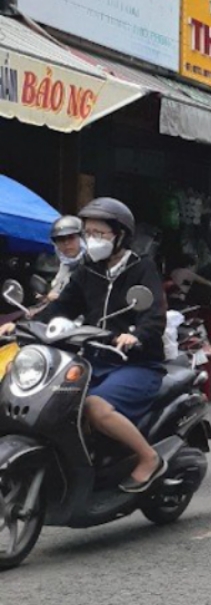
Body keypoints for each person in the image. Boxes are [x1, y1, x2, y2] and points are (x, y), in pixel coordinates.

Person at [1, 199, 168, 492]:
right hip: (94, 360)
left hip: (136, 363)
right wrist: (22, 325)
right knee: (57, 401)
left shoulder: (142, 270)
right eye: (87, 232)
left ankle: (148, 457)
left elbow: (153, 317)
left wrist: (136, 336)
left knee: (95, 407)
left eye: (99, 233)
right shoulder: (87, 272)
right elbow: (60, 307)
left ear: (120, 236)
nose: (91, 239)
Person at [47, 215, 84, 301]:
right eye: (60, 239)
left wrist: (62, 298)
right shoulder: (64, 266)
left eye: (71, 237)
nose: (66, 243)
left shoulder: (93, 265)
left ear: (81, 238)